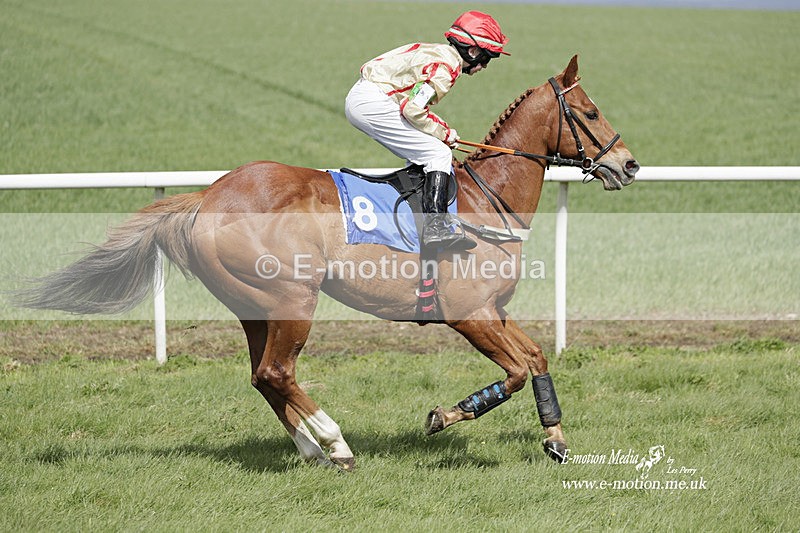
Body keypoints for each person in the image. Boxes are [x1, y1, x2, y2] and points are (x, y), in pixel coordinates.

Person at [345, 11, 510, 251]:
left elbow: (411, 104)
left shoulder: (437, 52)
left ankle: (413, 210)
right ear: (472, 51)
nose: (484, 66)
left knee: (428, 149)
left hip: (368, 97)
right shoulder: (446, 68)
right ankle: (435, 228)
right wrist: (444, 133)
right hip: (373, 104)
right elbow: (413, 109)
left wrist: (441, 130)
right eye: (486, 58)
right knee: (438, 154)